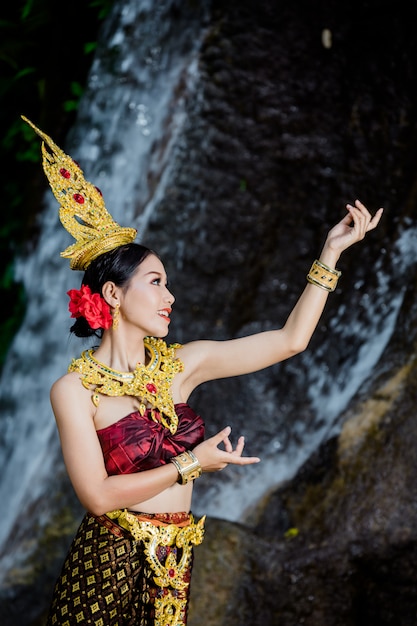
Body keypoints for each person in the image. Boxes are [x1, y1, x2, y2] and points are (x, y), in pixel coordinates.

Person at [22, 115, 383, 626]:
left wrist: (331, 253)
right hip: (107, 566)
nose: (170, 297)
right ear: (112, 294)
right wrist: (193, 464)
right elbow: (99, 497)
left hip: (175, 562)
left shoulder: (186, 364)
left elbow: (290, 340)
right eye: (156, 282)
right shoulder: (75, 391)